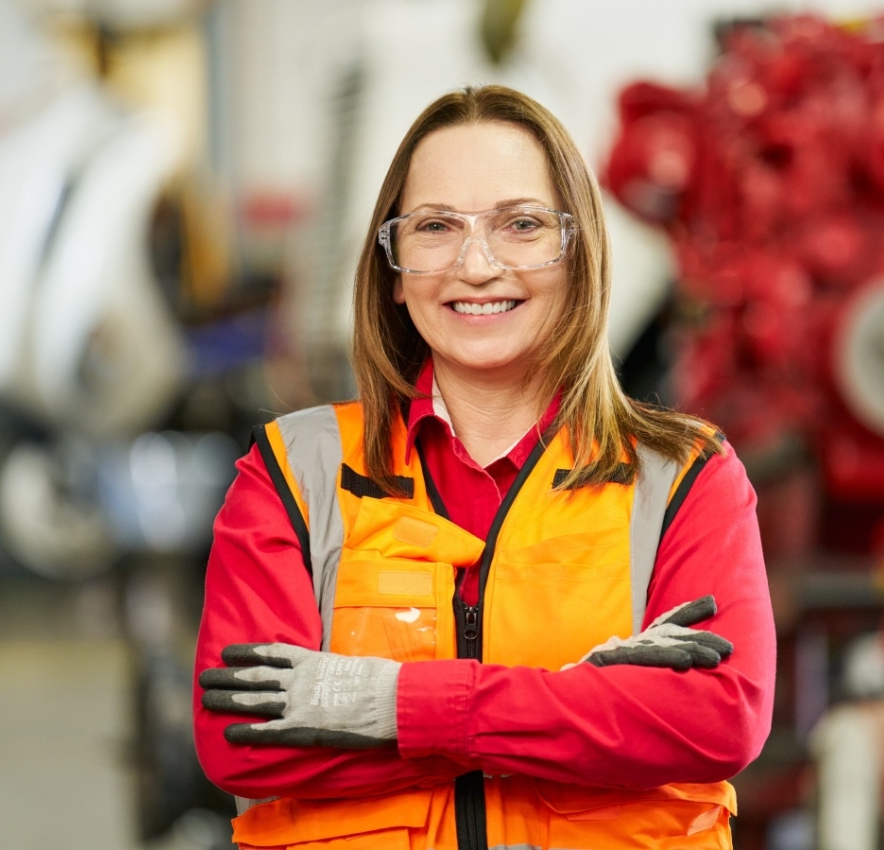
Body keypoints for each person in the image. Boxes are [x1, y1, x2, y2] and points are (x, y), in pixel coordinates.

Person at [193, 84, 776, 850]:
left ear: (577, 255)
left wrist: (389, 703)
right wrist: (581, 702)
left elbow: (719, 717)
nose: (477, 264)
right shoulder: (292, 475)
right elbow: (241, 734)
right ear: (395, 271)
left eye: (521, 225)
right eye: (435, 227)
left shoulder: (687, 478)